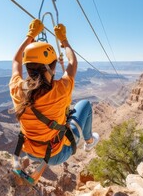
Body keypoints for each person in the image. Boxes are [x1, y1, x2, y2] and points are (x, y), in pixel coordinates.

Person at [9, 19, 99, 182]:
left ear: (27, 67)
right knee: (84, 105)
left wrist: (30, 35)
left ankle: (87, 140)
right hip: (57, 154)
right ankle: (90, 141)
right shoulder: (61, 88)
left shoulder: (17, 89)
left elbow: (16, 61)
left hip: (29, 151)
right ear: (53, 67)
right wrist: (63, 40)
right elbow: (73, 62)